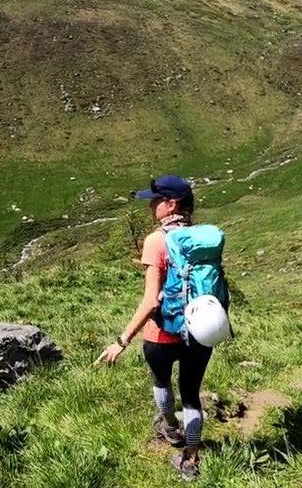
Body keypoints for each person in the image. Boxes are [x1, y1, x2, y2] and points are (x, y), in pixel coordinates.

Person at [96, 174, 213, 482]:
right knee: (191, 394)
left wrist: (121, 341)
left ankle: (170, 428)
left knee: (162, 381)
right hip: (200, 331)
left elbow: (150, 301)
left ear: (171, 204)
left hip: (162, 333)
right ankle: (190, 460)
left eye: (156, 201)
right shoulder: (204, 237)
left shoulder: (156, 240)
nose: (151, 206)